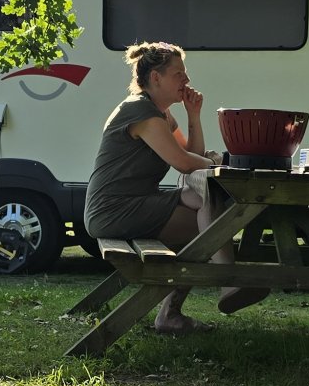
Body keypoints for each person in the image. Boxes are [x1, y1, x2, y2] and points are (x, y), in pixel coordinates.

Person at [83, 41, 263, 333]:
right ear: (156, 78)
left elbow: (194, 153)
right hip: (113, 211)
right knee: (210, 220)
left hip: (135, 203)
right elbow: (183, 161)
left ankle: (202, 297)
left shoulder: (161, 114)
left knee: (205, 200)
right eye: (179, 74)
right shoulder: (140, 112)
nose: (187, 80)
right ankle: (225, 283)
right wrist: (225, 167)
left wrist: (194, 116)